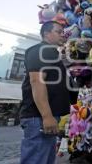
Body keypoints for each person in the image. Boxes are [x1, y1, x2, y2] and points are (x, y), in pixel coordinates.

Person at [20, 21, 70, 164]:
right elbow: (37, 81)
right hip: (39, 118)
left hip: (45, 118)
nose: (63, 35)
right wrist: (47, 116)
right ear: (46, 34)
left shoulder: (51, 52)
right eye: (59, 32)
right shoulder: (41, 50)